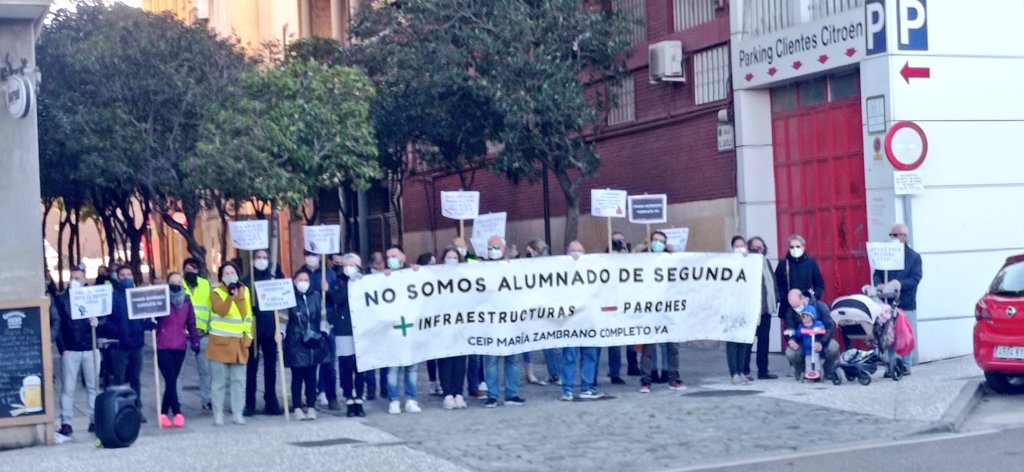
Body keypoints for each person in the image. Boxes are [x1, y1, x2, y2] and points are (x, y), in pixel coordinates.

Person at [97, 266, 149, 421]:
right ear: (117, 277)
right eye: (123, 275)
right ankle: (119, 408)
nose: (126, 277)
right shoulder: (113, 297)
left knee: (135, 378)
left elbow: (144, 317)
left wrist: (147, 325)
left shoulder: (139, 295)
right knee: (119, 378)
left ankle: (137, 408)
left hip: (137, 344)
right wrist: (117, 334)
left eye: (129, 274)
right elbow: (107, 320)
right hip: (120, 345)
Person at [207, 262, 254, 426]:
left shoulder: (245, 290)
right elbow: (221, 310)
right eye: (226, 273)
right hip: (220, 343)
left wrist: (249, 336)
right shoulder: (215, 292)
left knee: (239, 381)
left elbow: (246, 313)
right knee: (218, 382)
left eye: (232, 272)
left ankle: (237, 413)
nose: (229, 275)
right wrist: (230, 296)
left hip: (239, 343)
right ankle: (218, 414)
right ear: (221, 276)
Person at [482, 235, 526, 407]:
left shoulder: (514, 266)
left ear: (504, 247)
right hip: (489, 322)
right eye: (490, 247)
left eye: (496, 247)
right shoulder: (480, 266)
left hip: (510, 321)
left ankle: (512, 394)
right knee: (491, 361)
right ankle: (492, 395)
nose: (493, 250)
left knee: (512, 358)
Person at [639, 232, 685, 393]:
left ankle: (673, 378)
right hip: (649, 309)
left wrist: (673, 252)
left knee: (673, 346)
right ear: (650, 242)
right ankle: (645, 380)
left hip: (668, 308)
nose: (658, 244)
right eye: (656, 241)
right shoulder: (641, 257)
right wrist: (642, 249)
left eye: (662, 241)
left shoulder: (670, 258)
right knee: (648, 348)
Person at [56, 267, 100, 436]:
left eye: (79, 277)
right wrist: (63, 348)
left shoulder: (92, 296)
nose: (76, 280)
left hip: (91, 347)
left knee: (93, 387)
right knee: (68, 388)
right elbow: (58, 325)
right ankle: (66, 422)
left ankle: (94, 419)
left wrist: (98, 321)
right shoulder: (62, 300)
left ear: (84, 279)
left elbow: (103, 317)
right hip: (71, 349)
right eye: (73, 277)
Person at [874, 223, 923, 369]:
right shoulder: (887, 254)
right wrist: (879, 284)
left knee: (904, 333)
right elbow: (877, 274)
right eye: (892, 235)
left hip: (905, 300)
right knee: (889, 332)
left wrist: (898, 284)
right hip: (888, 301)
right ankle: (892, 363)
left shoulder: (914, 257)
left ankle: (906, 364)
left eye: (896, 235)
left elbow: (915, 278)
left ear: (904, 237)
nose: (893, 238)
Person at [242, 249, 285, 416]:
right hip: (253, 330)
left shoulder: (273, 280)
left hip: (270, 329)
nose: (262, 260)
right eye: (259, 257)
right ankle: (250, 403)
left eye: (265, 257)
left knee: (270, 368)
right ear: (253, 260)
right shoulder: (246, 281)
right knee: (251, 368)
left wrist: (280, 329)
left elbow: (282, 304)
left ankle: (271, 401)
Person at [560, 241, 604, 401]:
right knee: (569, 356)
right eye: (573, 251)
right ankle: (568, 389)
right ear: (567, 253)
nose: (577, 253)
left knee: (590, 354)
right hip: (570, 321)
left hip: (588, 319)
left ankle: (586, 387)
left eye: (580, 251)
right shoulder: (560, 270)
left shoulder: (592, 269)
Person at [283, 269, 329, 421]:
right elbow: (283, 317)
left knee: (311, 376)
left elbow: (323, 315)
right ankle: (296, 406)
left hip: (313, 340)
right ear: (295, 281)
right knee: (297, 376)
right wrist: (281, 333)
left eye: (306, 280)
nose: (303, 282)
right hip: (295, 340)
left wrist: (323, 332)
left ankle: (311, 406)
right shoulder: (289, 297)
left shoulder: (316, 296)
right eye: (300, 279)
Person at [156, 272, 200, 428]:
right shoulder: (161, 300)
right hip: (162, 345)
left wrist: (195, 342)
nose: (175, 284)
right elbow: (153, 319)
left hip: (180, 345)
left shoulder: (187, 301)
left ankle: (162, 413)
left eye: (178, 281)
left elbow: (192, 323)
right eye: (172, 281)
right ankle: (177, 412)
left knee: (172, 380)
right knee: (170, 379)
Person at [383, 245, 422, 414]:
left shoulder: (413, 274)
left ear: (403, 257)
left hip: (411, 327)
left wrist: (419, 271)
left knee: (411, 366)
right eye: (388, 256)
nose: (391, 258)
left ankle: (411, 399)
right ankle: (393, 400)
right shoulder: (382, 277)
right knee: (393, 367)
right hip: (392, 329)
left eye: (394, 255)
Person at [329, 253, 368, 417]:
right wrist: (350, 284)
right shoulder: (338, 282)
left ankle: (359, 398)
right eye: (346, 264)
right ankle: (348, 398)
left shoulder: (366, 281)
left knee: (360, 367)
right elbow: (337, 299)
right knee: (345, 365)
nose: (348, 267)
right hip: (344, 329)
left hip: (361, 329)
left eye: (352, 264)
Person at [303, 251, 341, 411]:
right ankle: (310, 396)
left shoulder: (330, 274)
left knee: (329, 363)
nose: (311, 257)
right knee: (308, 364)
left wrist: (329, 289)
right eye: (308, 254)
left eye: (314, 254)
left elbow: (337, 298)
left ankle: (332, 397)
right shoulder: (301, 275)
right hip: (308, 324)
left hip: (327, 322)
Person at [522, 239, 562, 386]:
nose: (528, 254)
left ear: (536, 249)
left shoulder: (549, 263)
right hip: (535, 306)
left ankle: (558, 373)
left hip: (549, 306)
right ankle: (553, 374)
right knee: (546, 342)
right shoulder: (529, 265)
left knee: (554, 343)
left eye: (530, 251)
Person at [437, 247, 469, 410]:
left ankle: (459, 393)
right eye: (448, 257)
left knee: (459, 361)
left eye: (455, 257)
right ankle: (447, 394)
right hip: (442, 324)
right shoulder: (436, 276)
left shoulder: (464, 275)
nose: (452, 260)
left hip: (461, 325)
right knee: (445, 360)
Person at [783, 289, 840, 380]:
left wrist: (821, 342)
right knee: (790, 353)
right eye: (793, 307)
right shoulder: (790, 312)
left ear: (803, 298)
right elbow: (789, 328)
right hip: (802, 342)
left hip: (820, 340)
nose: (796, 308)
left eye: (797, 305)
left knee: (833, 347)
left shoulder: (820, 306)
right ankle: (801, 371)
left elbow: (830, 327)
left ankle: (829, 370)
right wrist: (792, 340)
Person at [182, 257, 213, 411]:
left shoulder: (205, 284)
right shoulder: (179, 285)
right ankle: (177, 401)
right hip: (183, 335)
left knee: (205, 370)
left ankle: (207, 400)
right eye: (188, 269)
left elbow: (210, 307)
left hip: (202, 334)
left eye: (193, 269)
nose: (191, 272)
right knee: (180, 370)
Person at [747, 236, 779, 380]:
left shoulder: (766, 263)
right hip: (752, 309)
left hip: (766, 308)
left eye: (761, 247)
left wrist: (776, 298)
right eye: (755, 247)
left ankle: (763, 371)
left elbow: (772, 281)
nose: (759, 250)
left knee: (764, 341)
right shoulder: (746, 263)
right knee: (747, 341)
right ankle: (745, 370)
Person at [725, 236, 755, 385]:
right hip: (731, 307)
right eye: (737, 246)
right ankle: (734, 373)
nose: (740, 248)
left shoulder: (751, 263)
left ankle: (742, 371)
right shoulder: (727, 264)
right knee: (732, 341)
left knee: (743, 340)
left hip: (746, 305)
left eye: (742, 245)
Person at [606, 232, 634, 382]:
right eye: (615, 241)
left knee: (630, 338)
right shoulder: (606, 258)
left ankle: (633, 365)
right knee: (614, 343)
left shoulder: (629, 256)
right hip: (612, 306)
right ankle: (614, 372)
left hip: (627, 304)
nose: (619, 243)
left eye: (621, 240)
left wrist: (626, 252)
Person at [416, 252, 445, 396]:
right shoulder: (419, 278)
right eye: (431, 263)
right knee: (431, 354)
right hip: (427, 320)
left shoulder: (440, 277)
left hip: (440, 319)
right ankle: (433, 381)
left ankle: (443, 381)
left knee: (442, 353)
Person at [775, 234, 825, 313]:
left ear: (803, 247)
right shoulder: (783, 264)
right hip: (788, 307)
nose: (795, 249)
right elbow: (776, 284)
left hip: (808, 306)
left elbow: (819, 284)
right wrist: (786, 298)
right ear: (788, 248)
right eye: (792, 247)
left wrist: (812, 297)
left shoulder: (811, 263)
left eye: (798, 246)